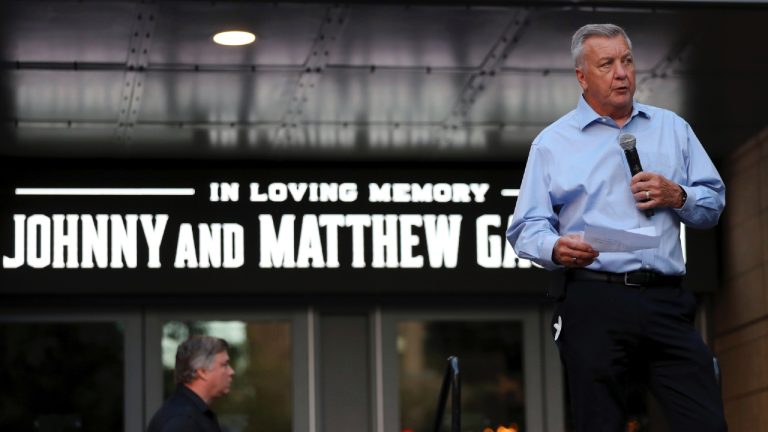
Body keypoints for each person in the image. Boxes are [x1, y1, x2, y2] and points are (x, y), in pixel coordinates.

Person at [506, 24, 727, 432]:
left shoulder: (673, 128)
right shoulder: (552, 143)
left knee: (706, 423)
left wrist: (677, 195)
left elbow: (712, 204)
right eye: (606, 64)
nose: (621, 72)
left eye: (626, 60)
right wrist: (554, 248)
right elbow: (525, 227)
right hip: (594, 300)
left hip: (666, 301)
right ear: (581, 76)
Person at [147, 335, 235, 432]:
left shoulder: (189, 414)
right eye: (224, 365)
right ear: (202, 372)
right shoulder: (182, 420)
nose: (231, 372)